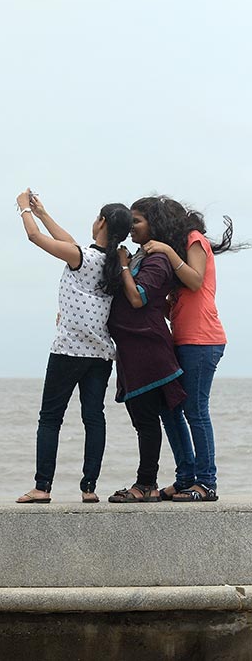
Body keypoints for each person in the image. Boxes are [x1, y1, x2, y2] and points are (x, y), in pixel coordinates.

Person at [14, 190, 132, 504]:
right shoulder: (112, 263)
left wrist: (24, 210)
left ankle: (43, 487)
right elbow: (69, 242)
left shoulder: (83, 257)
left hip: (68, 350)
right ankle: (89, 488)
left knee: (50, 418)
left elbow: (35, 238)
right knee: (94, 418)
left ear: (101, 221)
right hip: (100, 355)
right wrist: (44, 211)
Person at [143, 198, 242, 502]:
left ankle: (207, 482)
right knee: (169, 408)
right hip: (183, 339)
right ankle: (186, 477)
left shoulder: (193, 240)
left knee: (195, 410)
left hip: (203, 340)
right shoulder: (178, 253)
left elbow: (196, 281)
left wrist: (168, 251)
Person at [107, 197, 186, 503]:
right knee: (143, 420)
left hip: (148, 349)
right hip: (132, 350)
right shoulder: (141, 255)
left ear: (154, 224)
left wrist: (124, 265)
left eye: (137, 220)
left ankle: (146, 484)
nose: (131, 226)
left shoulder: (157, 259)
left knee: (147, 421)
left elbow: (138, 298)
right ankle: (148, 482)